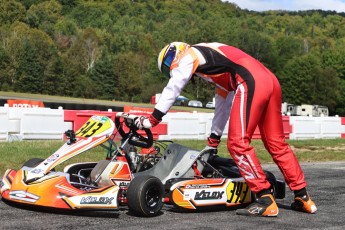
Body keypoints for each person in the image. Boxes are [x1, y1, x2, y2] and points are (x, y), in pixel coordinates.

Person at [134, 42, 317, 217]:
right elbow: (223, 104)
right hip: (270, 80)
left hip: (251, 79)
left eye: (168, 63)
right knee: (276, 143)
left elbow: (174, 87)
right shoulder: (213, 64)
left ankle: (264, 198)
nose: (171, 69)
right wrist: (213, 141)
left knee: (238, 144)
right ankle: (303, 197)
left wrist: (153, 119)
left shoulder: (189, 54)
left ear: (177, 50)